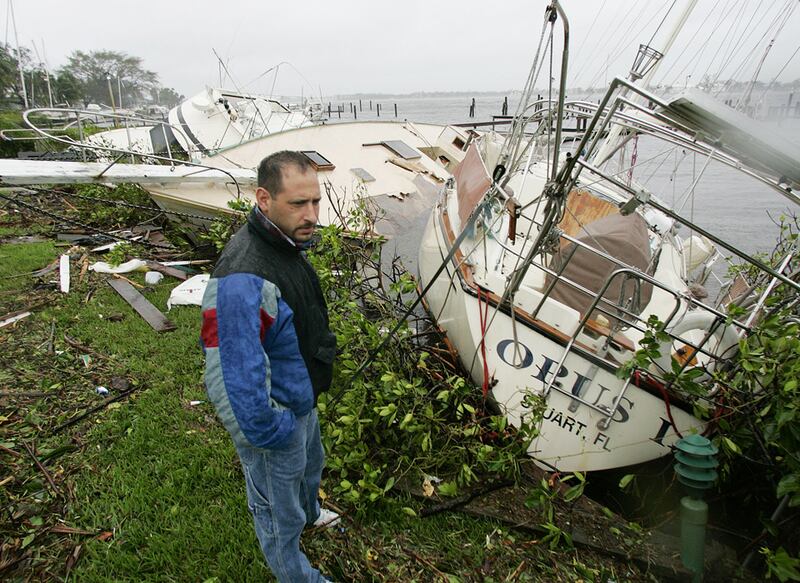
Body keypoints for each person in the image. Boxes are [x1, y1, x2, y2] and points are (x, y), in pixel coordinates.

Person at [200, 150, 339, 582]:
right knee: (278, 515)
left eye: (315, 201)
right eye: (299, 204)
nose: (312, 214)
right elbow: (228, 378)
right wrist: (273, 433)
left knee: (310, 468)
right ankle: (299, 576)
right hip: (276, 421)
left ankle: (311, 513)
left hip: (301, 400)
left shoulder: (284, 240)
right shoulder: (243, 279)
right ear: (264, 198)